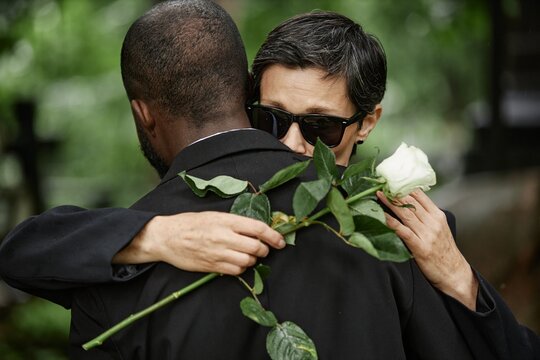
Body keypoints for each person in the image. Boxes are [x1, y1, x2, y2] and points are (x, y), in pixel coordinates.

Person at [0, 1, 538, 358]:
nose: (292, 147)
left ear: (367, 122)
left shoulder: (395, 235)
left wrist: (462, 282)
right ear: (244, 99)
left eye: (321, 127)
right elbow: (22, 251)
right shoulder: (140, 240)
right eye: (272, 119)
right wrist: (156, 235)